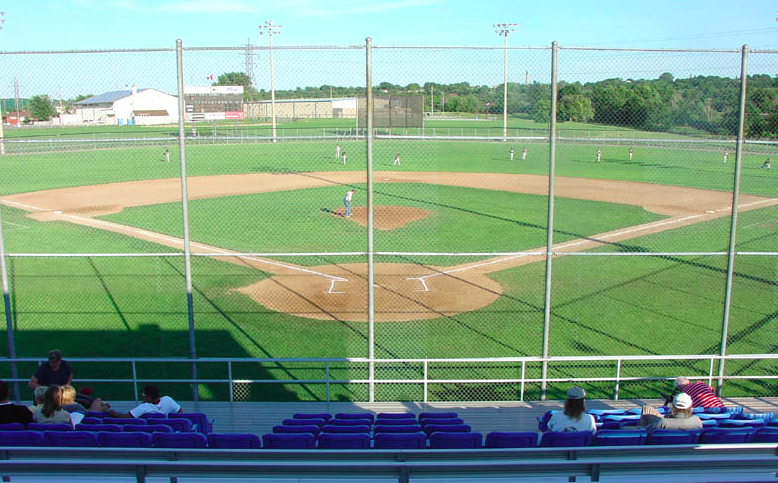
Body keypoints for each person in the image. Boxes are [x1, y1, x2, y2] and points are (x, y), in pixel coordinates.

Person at [102, 385, 181, 418]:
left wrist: (108, 411)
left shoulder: (144, 407)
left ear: (149, 397)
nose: (142, 396)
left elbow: (125, 417)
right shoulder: (168, 399)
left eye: (143, 395)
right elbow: (180, 413)